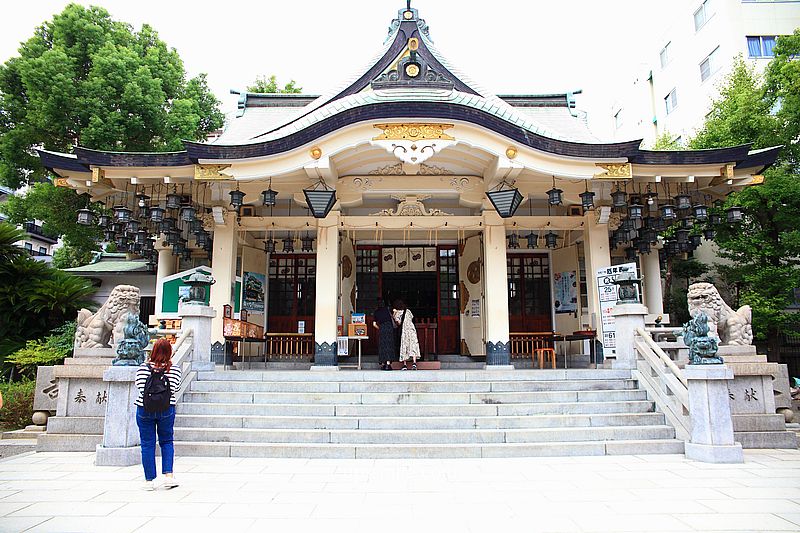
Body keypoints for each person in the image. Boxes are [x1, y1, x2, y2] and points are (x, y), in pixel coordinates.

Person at [135, 337, 182, 490]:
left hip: (144, 409)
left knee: (147, 444)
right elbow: (175, 388)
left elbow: (140, 387)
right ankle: (168, 476)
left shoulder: (143, 368)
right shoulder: (174, 370)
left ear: (153, 351)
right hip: (166, 409)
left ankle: (149, 480)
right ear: (170, 352)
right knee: (167, 441)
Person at [392, 299, 421, 370]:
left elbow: (398, 322)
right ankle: (414, 363)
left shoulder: (398, 313)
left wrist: (394, 313)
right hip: (411, 330)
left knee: (404, 346)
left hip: (404, 331)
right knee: (413, 345)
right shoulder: (408, 311)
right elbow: (411, 318)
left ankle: (405, 365)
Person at [372, 297, 396, 371]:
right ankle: (388, 364)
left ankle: (383, 363)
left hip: (382, 328)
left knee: (383, 345)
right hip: (389, 328)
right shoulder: (388, 309)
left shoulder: (376, 312)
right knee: (389, 345)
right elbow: (394, 316)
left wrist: (380, 328)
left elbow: (374, 324)